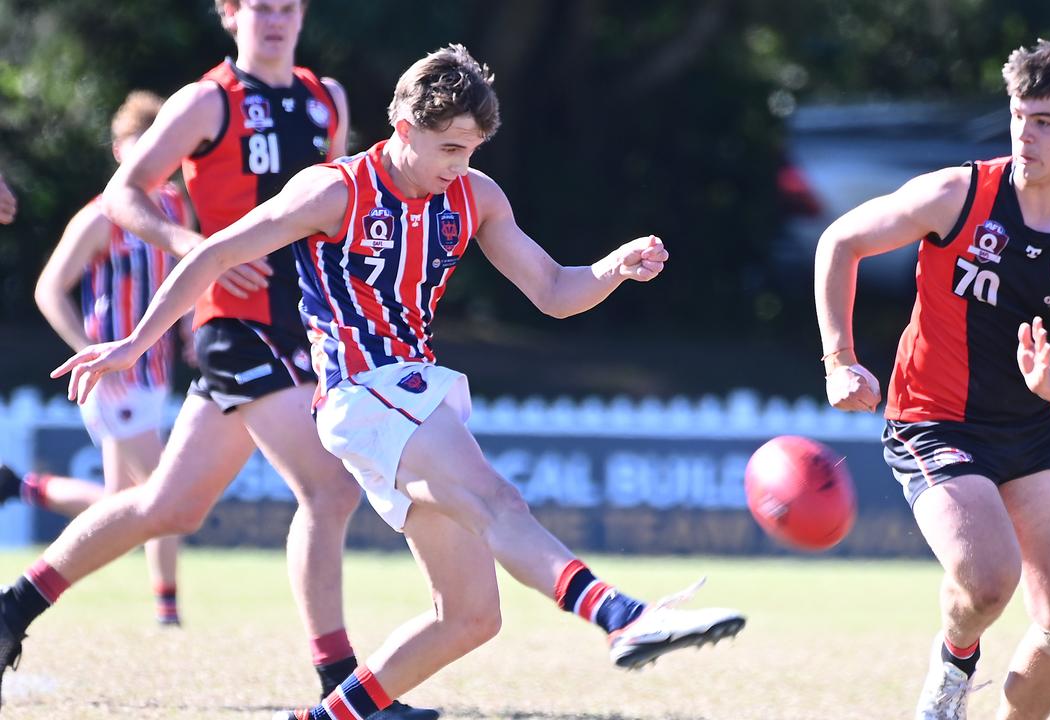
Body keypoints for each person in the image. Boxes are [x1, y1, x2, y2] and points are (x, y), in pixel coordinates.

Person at [54, 43, 746, 720]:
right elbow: (214, 254)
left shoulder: (475, 196)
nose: (461, 165)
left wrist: (613, 268)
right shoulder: (334, 189)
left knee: (471, 617)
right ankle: (623, 618)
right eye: (448, 148)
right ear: (404, 129)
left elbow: (554, 290)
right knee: (497, 499)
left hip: (411, 393)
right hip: (364, 392)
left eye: (472, 149)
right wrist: (135, 343)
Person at [0, 2, 436, 717]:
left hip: (303, 325)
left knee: (168, 507)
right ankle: (343, 690)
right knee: (328, 490)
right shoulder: (208, 101)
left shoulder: (329, 98)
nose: (276, 18)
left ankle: (12, 609)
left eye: (288, 5)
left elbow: (342, 202)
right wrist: (191, 248)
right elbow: (124, 192)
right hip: (235, 325)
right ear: (230, 13)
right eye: (259, 4)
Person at [814, 33, 1050, 720]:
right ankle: (956, 659)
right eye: (1019, 115)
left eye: (1044, 121)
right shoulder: (960, 194)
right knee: (989, 581)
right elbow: (840, 241)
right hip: (933, 419)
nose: (1024, 133)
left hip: (1032, 427)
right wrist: (839, 360)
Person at [21, 90, 188, 626]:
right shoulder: (101, 216)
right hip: (117, 377)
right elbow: (49, 288)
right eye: (138, 149)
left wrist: (188, 327)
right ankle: (168, 610)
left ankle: (21, 486)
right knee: (165, 495)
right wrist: (87, 353)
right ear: (120, 152)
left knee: (121, 500)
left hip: (155, 372)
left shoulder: (178, 209)